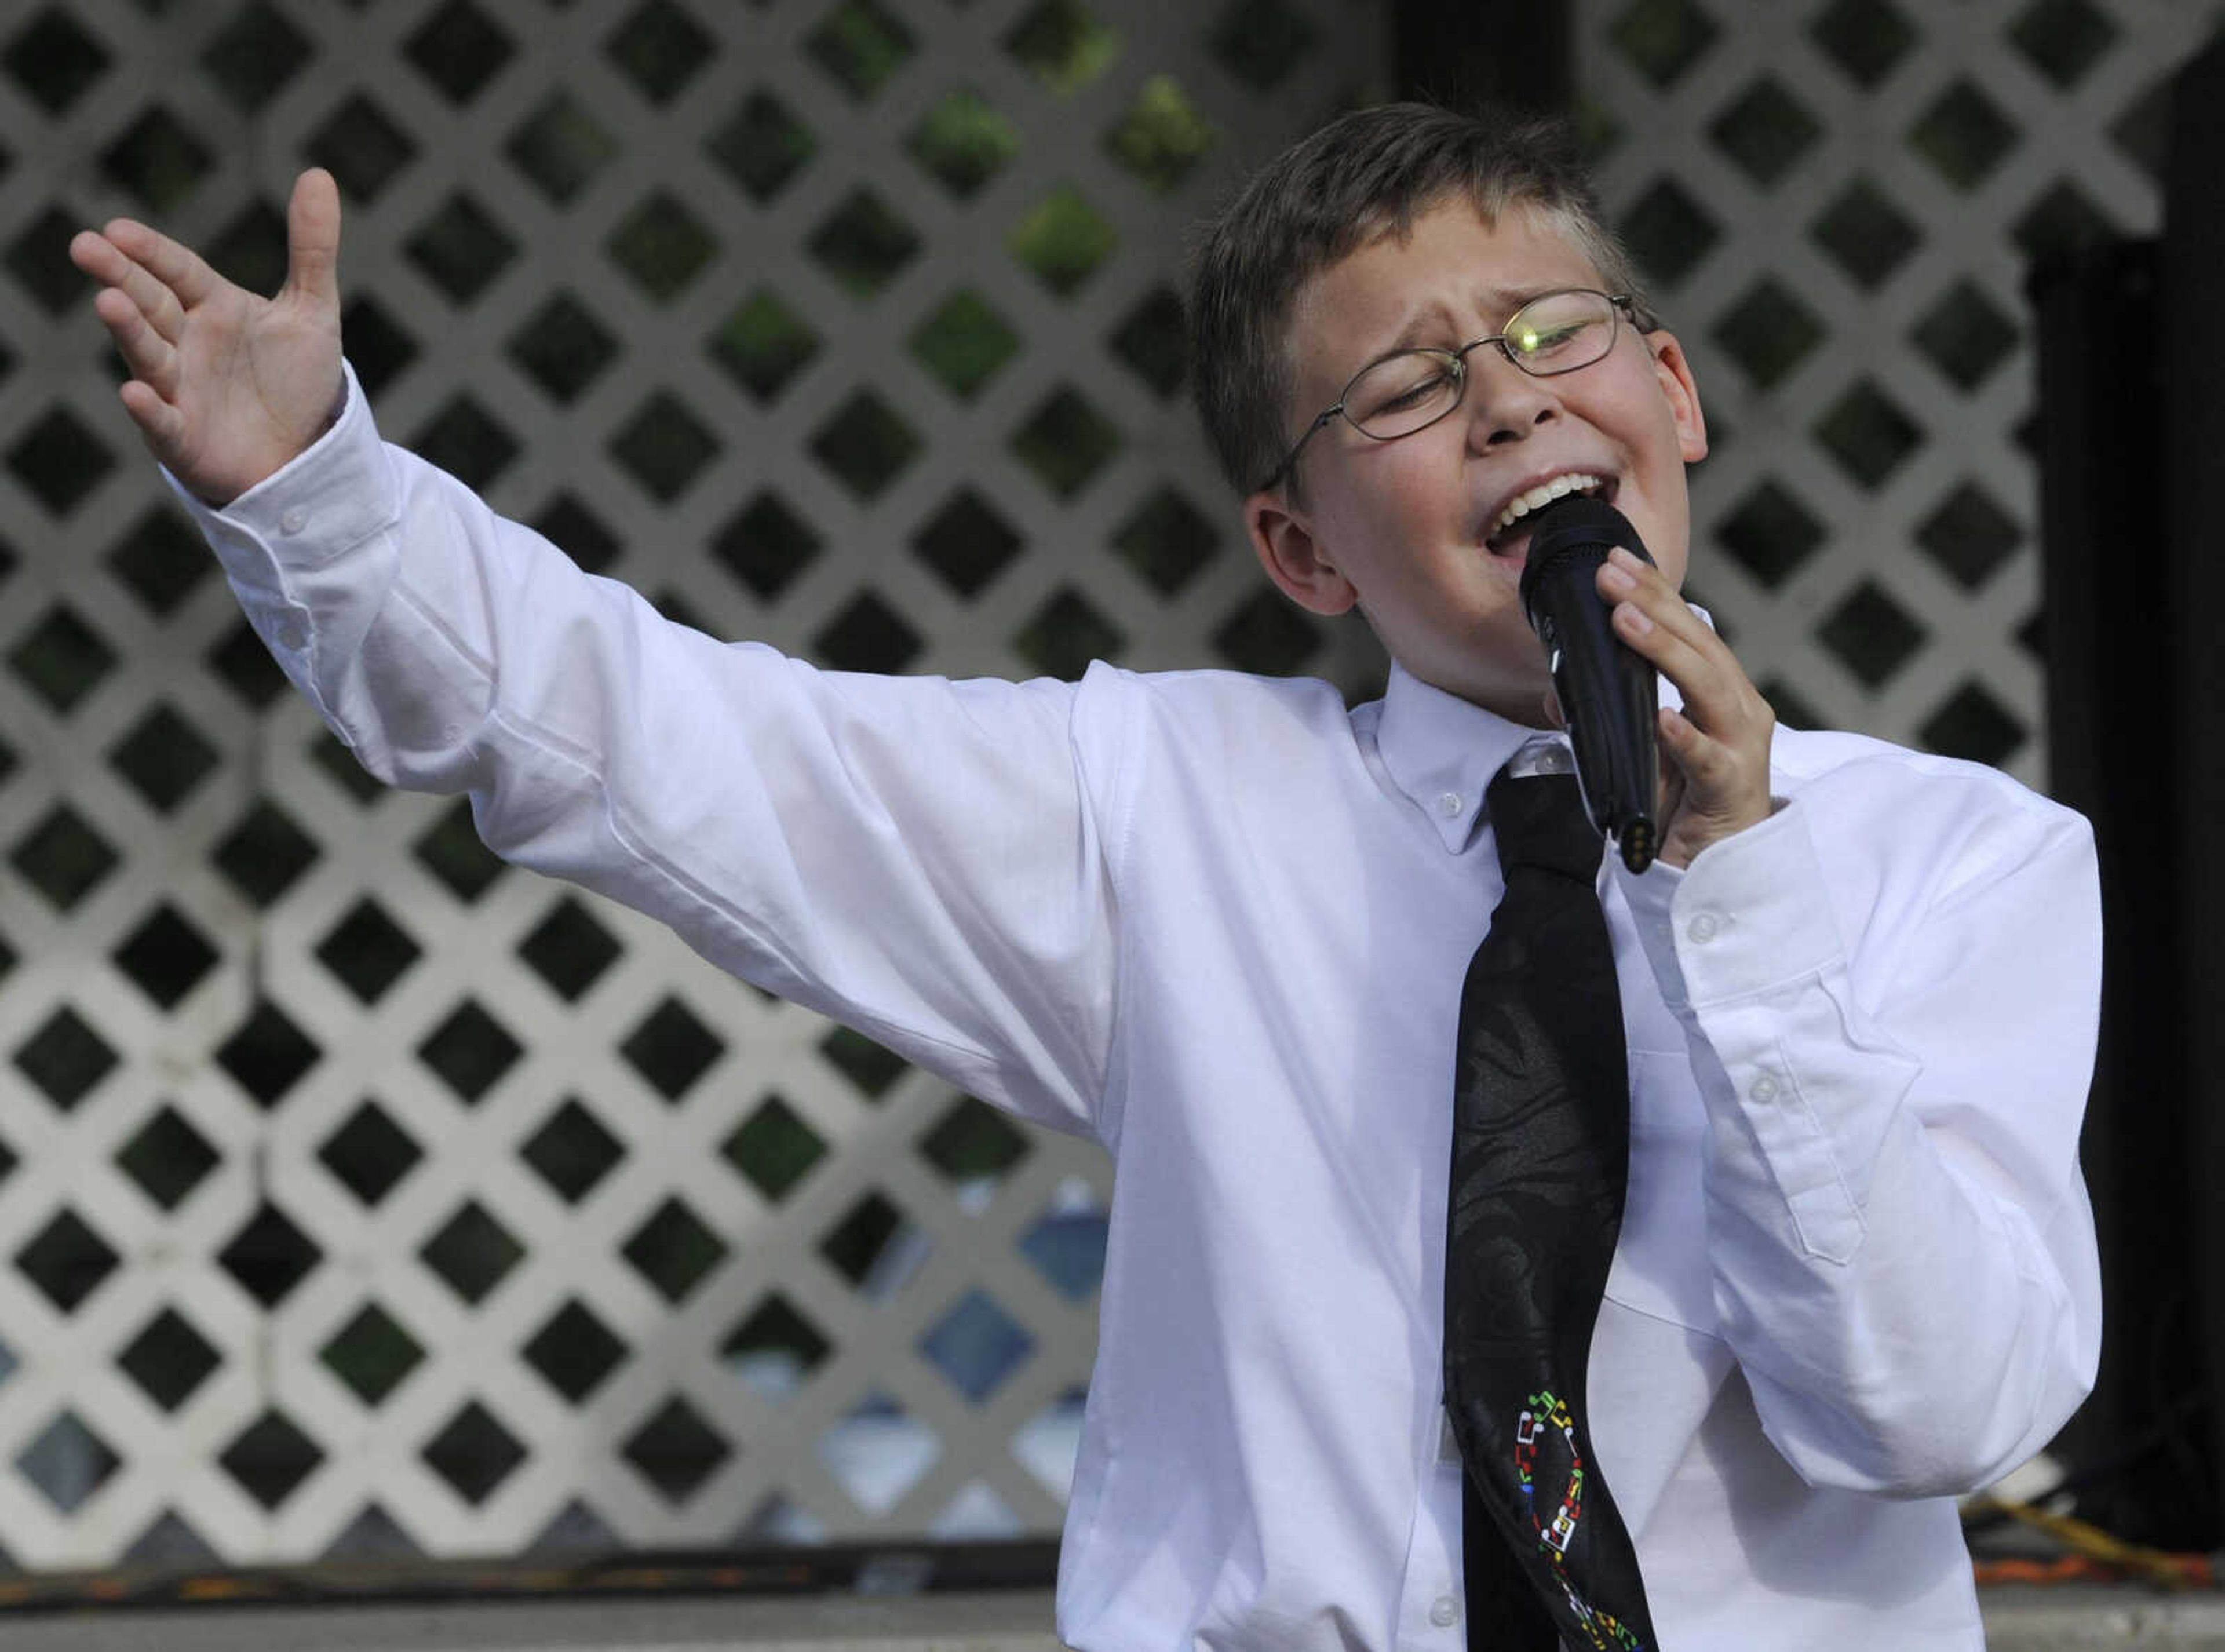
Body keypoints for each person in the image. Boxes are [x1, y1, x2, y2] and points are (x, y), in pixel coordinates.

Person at [71, 103, 2100, 1650]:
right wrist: (323, 499)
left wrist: (1733, 882)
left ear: (1674, 396)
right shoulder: (1170, 805)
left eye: (1557, 332)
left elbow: (1924, 1411)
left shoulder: (1962, 861)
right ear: (1304, 549)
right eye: (1401, 388)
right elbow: (657, 745)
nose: (1504, 394)